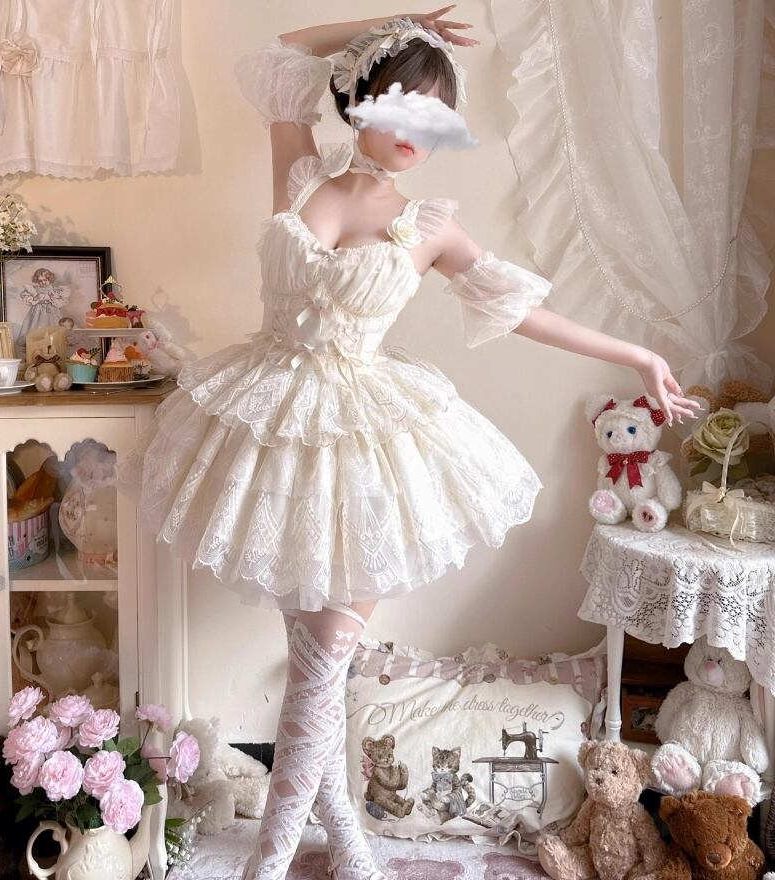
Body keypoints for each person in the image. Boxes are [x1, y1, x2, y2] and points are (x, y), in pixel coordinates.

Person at [119, 9, 699, 879]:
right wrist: (397, 25)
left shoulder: (429, 225)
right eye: (399, 106)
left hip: (360, 445)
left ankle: (269, 861)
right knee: (315, 665)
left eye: (434, 118)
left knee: (321, 664)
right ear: (360, 101)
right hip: (268, 433)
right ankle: (348, 842)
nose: (414, 134)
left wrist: (638, 354)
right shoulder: (303, 171)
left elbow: (526, 312)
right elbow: (282, 52)